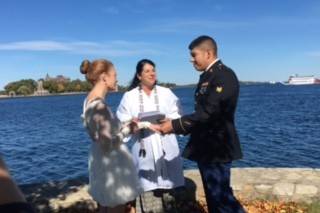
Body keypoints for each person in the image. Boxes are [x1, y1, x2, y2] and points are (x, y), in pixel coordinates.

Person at [160, 36, 246, 213]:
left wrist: (174, 126)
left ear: (208, 53)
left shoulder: (223, 75)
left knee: (221, 197)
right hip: (206, 146)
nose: (191, 59)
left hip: (218, 146)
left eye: (194, 55)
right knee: (213, 197)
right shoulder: (208, 76)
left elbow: (208, 113)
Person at [80, 59, 152, 213]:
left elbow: (102, 132)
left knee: (105, 208)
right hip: (112, 166)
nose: (117, 78)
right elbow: (107, 143)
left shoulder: (89, 101)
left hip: (100, 161)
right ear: (104, 77)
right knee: (116, 208)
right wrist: (128, 130)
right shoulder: (100, 106)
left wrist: (125, 124)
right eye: (114, 75)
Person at [116, 59, 184, 213]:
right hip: (143, 150)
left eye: (153, 70)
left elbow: (179, 116)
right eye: (147, 71)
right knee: (148, 197)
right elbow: (121, 126)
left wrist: (169, 121)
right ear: (139, 75)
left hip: (166, 147)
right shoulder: (129, 96)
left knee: (171, 199)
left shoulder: (166, 93)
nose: (152, 73)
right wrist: (132, 124)